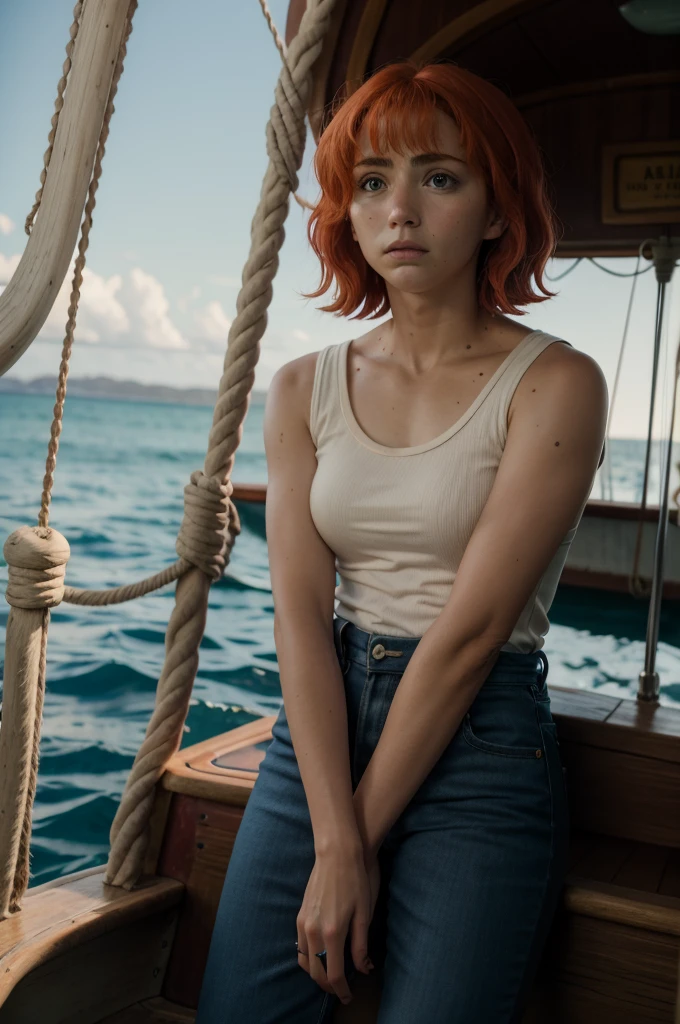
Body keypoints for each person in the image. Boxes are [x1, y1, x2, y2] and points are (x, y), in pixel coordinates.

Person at [196, 60, 608, 1024]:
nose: (400, 210)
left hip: (482, 744)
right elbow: (298, 615)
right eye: (372, 182)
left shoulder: (559, 384)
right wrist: (336, 835)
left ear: (498, 211)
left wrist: (351, 851)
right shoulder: (302, 387)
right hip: (319, 738)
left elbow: (470, 636)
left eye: (441, 177)